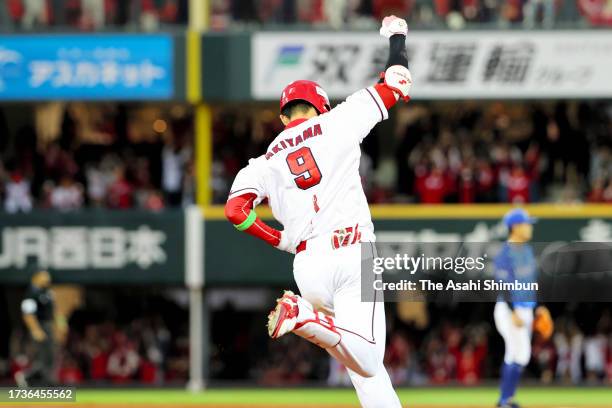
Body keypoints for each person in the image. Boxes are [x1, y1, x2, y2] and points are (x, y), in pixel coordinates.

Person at [224, 15, 412, 407]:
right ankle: (305, 320)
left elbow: (235, 210)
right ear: (320, 107)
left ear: (283, 117)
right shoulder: (337, 121)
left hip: (307, 265)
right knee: (370, 355)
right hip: (350, 250)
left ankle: (309, 317)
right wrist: (397, 37)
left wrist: (277, 239)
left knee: (367, 372)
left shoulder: (264, 160)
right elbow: (397, 82)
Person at [493, 208, 550, 408]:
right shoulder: (505, 253)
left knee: (516, 354)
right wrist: (513, 310)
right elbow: (502, 285)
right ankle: (504, 400)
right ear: (515, 227)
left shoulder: (526, 251)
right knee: (521, 353)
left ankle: (505, 400)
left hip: (525, 309)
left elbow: (531, 285)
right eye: (526, 224)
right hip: (509, 310)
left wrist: (539, 309)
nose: (529, 227)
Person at [17, 269, 67, 386]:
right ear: (36, 277)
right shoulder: (31, 293)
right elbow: (28, 313)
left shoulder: (48, 292)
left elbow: (55, 310)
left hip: (49, 326)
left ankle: (35, 379)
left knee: (51, 355)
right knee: (44, 355)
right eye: (44, 275)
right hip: (40, 325)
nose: (47, 278)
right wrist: (35, 329)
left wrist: (61, 323)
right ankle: (33, 378)